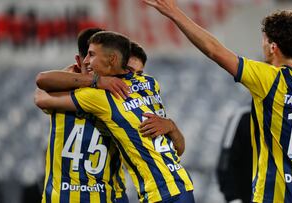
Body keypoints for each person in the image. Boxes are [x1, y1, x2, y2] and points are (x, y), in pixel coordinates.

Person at [144, 0, 292, 202]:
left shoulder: (269, 78)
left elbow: (214, 50)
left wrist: (174, 12)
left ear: (273, 47)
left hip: (273, 195)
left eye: (263, 40)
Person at [35, 31, 194, 203]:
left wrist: (171, 126)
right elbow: (40, 94)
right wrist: (93, 80)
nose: (131, 77)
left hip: (121, 196)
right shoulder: (150, 84)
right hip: (174, 187)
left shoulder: (106, 96)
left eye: (135, 73)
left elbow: (41, 95)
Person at [35, 28, 129, 203]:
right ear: (79, 61)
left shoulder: (118, 93)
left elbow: (40, 96)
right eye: (88, 63)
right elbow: (40, 89)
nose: (94, 70)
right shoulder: (62, 88)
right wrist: (94, 81)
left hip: (106, 195)